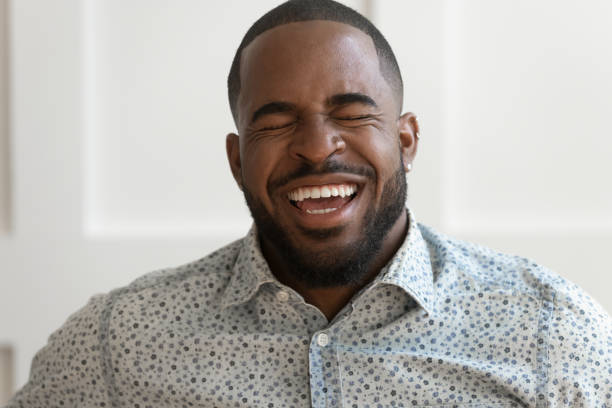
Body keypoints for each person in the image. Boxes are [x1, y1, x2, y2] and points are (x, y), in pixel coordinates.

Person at [6, 0, 612, 407]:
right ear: (237, 159)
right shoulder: (117, 343)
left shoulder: (550, 333)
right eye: (276, 123)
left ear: (405, 140)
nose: (318, 149)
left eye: (351, 113)